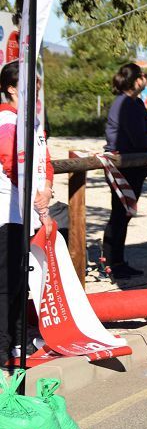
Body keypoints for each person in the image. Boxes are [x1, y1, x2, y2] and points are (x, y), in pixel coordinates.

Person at [0, 62, 55, 364]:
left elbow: (45, 159)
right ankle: (3, 346)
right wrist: (35, 196)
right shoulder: (6, 119)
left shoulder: (32, 120)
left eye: (36, 83)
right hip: (7, 214)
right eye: (28, 83)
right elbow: (11, 163)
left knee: (23, 281)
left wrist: (46, 188)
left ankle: (20, 340)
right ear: (10, 87)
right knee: (6, 284)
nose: (35, 89)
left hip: (29, 213)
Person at [103, 63, 147, 279]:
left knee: (123, 214)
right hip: (125, 164)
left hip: (135, 164)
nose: (145, 80)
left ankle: (115, 260)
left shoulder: (134, 103)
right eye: (142, 76)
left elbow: (146, 128)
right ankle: (112, 262)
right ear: (137, 80)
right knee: (120, 214)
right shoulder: (125, 103)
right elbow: (138, 137)